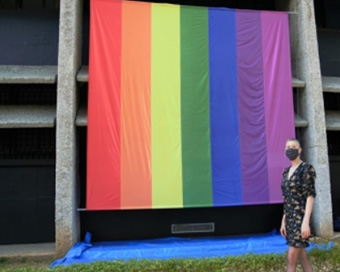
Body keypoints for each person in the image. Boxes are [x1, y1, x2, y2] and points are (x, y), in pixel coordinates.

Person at [280, 138, 316, 272]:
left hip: (300, 218)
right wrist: (284, 220)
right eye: (288, 146)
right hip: (289, 218)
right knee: (302, 257)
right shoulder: (285, 172)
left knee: (291, 259)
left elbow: (310, 196)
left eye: (293, 146)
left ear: (300, 150)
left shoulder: (306, 169)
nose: (290, 149)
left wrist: (306, 222)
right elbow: (287, 198)